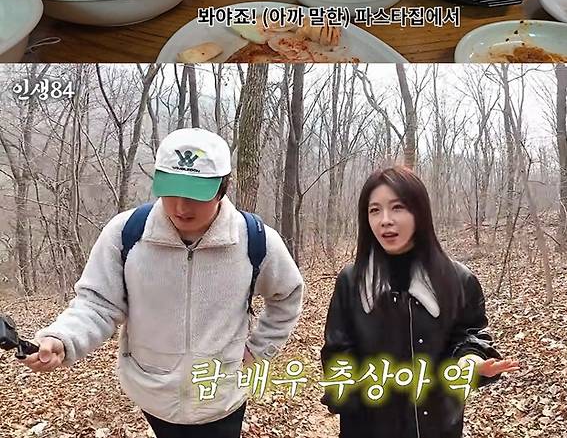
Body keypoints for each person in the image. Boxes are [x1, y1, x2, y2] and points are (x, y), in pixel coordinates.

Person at [21, 127, 304, 436]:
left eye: (196, 195)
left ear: (223, 188)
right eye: (171, 190)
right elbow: (97, 304)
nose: (181, 207)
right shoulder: (127, 234)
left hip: (221, 395)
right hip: (153, 393)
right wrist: (63, 338)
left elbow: (287, 295)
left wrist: (259, 351)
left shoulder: (254, 240)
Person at [322, 165, 516, 435]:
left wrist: (470, 361)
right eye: (374, 210)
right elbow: (337, 351)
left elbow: (469, 335)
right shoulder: (352, 281)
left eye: (397, 207)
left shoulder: (458, 279)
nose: (385, 220)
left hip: (436, 426)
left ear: (419, 212)